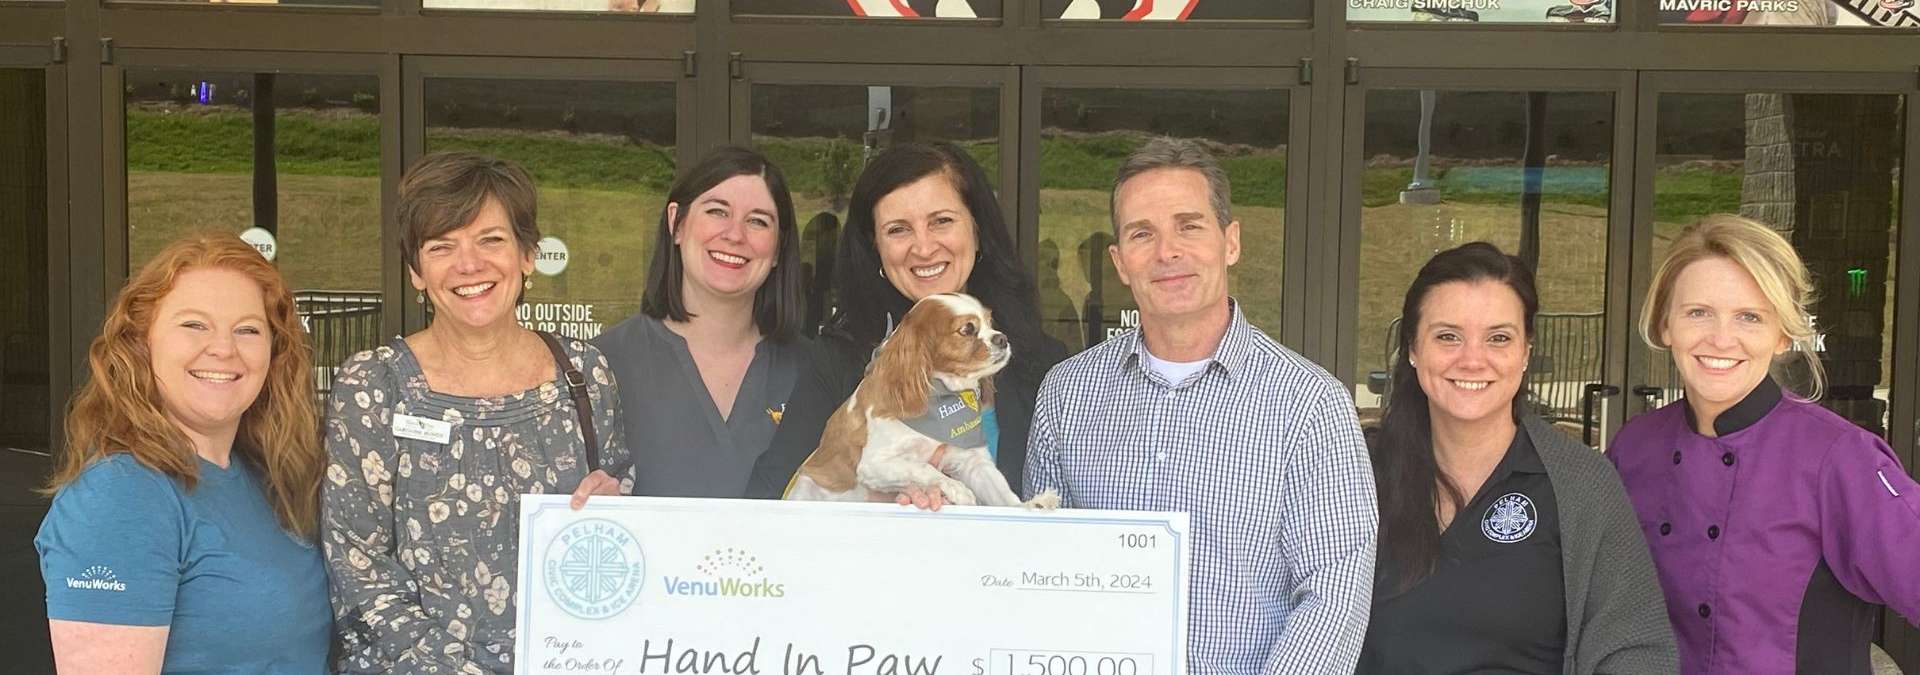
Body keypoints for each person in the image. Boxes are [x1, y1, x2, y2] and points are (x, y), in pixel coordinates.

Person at [1024, 137, 1376, 672]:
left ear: (1230, 242)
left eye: (1189, 226)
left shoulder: (1309, 404)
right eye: (1143, 234)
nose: (1167, 252)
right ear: (1120, 262)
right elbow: (1040, 565)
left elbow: (1335, 592)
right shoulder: (1067, 394)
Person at [322, 151, 629, 674]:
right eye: (442, 246)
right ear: (416, 272)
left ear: (527, 255)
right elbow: (359, 567)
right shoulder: (374, 385)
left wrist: (616, 505)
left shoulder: (582, 373)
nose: (469, 265)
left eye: (491, 240)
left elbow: (622, 507)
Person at [1611, 214, 1920, 674]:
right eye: (1698, 312)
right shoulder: (1635, 448)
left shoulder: (1840, 457)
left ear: (1781, 336)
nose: (1721, 338)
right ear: (1665, 324)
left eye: (1749, 317)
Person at [1356, 242, 1676, 674]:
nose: (1472, 360)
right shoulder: (1355, 473)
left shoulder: (1581, 484)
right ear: (1413, 348)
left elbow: (1636, 652)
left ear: (1525, 352)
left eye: (1499, 338)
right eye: (1448, 336)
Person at [36, 233, 331, 673]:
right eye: (194, 325)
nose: (223, 348)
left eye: (248, 330)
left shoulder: (262, 474)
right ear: (142, 341)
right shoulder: (120, 497)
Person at [745, 142, 1067, 501]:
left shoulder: (1046, 368)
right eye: (898, 229)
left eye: (942, 221)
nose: (924, 248)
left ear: (977, 230)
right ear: (876, 248)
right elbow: (769, 501)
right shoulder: (836, 361)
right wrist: (870, 499)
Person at [595, 146, 805, 497]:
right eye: (717, 211)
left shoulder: (814, 374)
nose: (734, 235)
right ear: (676, 223)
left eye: (758, 221)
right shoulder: (601, 366)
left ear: (778, 249)